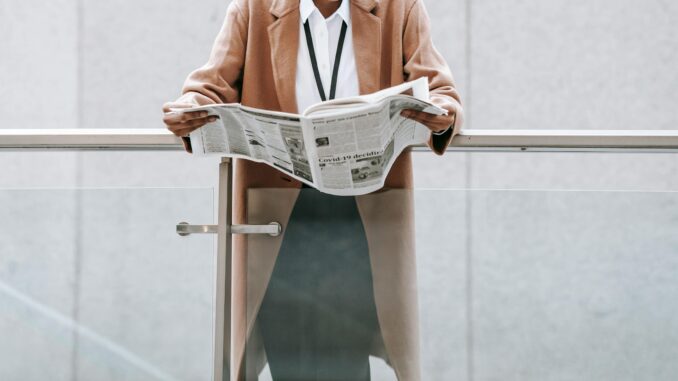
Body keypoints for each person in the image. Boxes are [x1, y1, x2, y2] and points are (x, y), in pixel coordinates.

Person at [162, 0, 463, 379]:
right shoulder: (252, 9)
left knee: (347, 355)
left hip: (363, 220)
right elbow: (209, 86)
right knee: (289, 354)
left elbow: (441, 88)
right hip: (278, 222)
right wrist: (190, 107)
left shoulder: (399, 8)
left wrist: (439, 112)